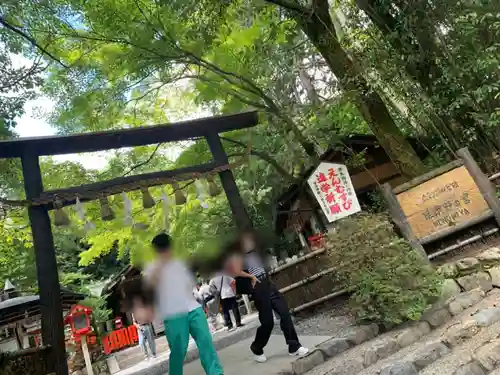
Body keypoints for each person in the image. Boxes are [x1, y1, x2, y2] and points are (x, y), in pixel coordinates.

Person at [144, 233, 224, 375]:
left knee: (206, 341)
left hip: (193, 308)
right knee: (178, 350)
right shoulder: (152, 268)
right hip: (174, 314)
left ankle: (216, 372)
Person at [224, 230, 308, 363]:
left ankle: (294, 346)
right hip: (258, 288)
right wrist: (251, 276)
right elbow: (235, 271)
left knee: (285, 314)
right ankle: (257, 347)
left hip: (268, 284)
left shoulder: (256, 253)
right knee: (267, 322)